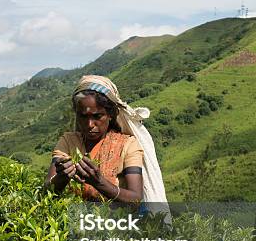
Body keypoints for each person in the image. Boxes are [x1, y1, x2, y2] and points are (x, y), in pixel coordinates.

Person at [45, 75, 170, 214]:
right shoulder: (68, 142)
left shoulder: (128, 145)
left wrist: (99, 182)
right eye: (83, 116)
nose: (90, 124)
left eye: (97, 116)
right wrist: (62, 177)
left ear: (110, 114)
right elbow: (46, 192)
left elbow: (135, 199)